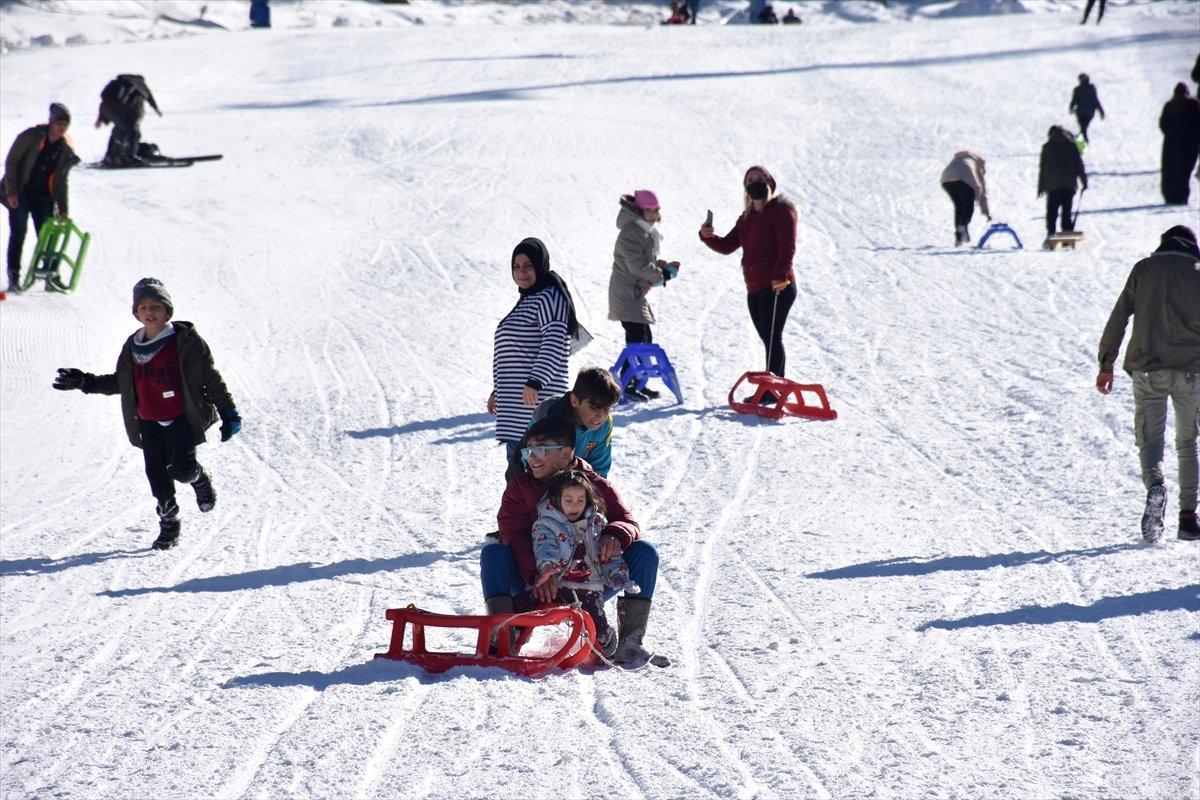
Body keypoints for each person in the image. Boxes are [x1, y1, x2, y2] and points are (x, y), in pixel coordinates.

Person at [51, 278, 242, 550]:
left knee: (182, 469)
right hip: (148, 422)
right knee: (158, 478)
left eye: (156, 306)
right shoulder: (133, 346)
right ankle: (169, 524)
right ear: (136, 314)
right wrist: (86, 381)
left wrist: (229, 411)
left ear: (167, 312)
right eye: (143, 307)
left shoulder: (184, 342)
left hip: (180, 419)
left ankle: (199, 478)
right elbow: (121, 382)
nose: (150, 312)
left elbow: (210, 378)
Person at [482, 416, 666, 667]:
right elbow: (513, 533)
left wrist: (614, 534)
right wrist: (537, 573)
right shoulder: (521, 486)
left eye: (541, 450)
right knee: (493, 553)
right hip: (535, 580)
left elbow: (627, 521)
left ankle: (629, 645)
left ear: (566, 453)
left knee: (644, 552)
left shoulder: (593, 485)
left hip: (588, 578)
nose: (532, 458)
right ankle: (505, 637)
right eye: (528, 450)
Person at [1096, 225, 1200, 543]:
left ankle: (1156, 485)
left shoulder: (1144, 269)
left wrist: (1106, 364)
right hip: (1191, 370)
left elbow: (1119, 317)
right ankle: (1188, 518)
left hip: (1148, 368)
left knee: (1150, 439)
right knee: (1188, 442)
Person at [699, 165, 798, 400]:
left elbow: (787, 247)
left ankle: (772, 391)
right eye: (750, 180)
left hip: (778, 286)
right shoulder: (746, 218)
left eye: (759, 178)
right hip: (754, 288)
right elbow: (727, 245)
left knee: (772, 338)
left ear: (769, 183)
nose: (754, 183)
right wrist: (707, 236)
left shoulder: (781, 211)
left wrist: (780, 274)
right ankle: (772, 388)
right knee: (768, 338)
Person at [523, 468, 640, 652]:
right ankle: (513, 634)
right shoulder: (546, 524)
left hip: (589, 588)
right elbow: (545, 547)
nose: (575, 506)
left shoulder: (597, 525)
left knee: (597, 629)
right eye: (568, 500)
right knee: (523, 602)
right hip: (556, 585)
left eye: (580, 500)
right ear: (556, 500)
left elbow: (609, 556)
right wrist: (547, 567)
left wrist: (618, 575)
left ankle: (605, 642)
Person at [489, 237, 584, 461]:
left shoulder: (549, 297)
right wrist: (498, 392)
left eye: (528, 265)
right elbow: (515, 353)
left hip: (536, 406)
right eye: (516, 266)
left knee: (539, 472)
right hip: (517, 410)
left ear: (540, 265)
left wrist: (535, 381)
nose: (521, 272)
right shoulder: (528, 299)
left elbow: (554, 342)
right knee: (518, 476)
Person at [608, 189, 680, 401]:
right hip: (626, 294)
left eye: (656, 210)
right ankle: (626, 385)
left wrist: (662, 267)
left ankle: (638, 382)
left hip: (635, 293)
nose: (654, 214)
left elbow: (645, 262)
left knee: (644, 339)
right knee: (637, 342)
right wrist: (662, 274)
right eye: (650, 210)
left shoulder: (643, 230)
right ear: (639, 210)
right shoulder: (631, 231)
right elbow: (637, 265)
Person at [2, 103, 79, 294]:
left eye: (65, 124)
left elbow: (61, 181)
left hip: (44, 196)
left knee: (47, 237)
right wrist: (11, 192)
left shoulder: (64, 148)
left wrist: (63, 209)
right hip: (21, 192)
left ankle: (51, 275)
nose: (61, 128)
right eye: (59, 123)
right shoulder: (30, 137)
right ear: (51, 122)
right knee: (18, 232)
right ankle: (13, 276)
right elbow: (12, 163)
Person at [529, 366, 621, 478]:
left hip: (576, 483)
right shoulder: (547, 413)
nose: (601, 416)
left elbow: (599, 470)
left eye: (606, 408)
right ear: (574, 400)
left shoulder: (605, 424)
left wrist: (595, 488)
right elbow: (526, 458)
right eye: (593, 407)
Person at [95, 74, 162, 167]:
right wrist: (155, 108)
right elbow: (145, 100)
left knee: (119, 130)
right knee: (133, 132)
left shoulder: (123, 85)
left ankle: (111, 157)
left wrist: (100, 119)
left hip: (108, 109)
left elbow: (106, 103)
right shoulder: (137, 85)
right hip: (116, 110)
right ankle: (129, 157)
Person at [1037, 125, 1087, 243]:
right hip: (1069, 186)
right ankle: (1067, 234)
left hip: (1053, 186)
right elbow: (1079, 165)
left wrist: (1040, 187)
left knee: (1052, 212)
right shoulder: (1072, 146)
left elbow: (1043, 168)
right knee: (1066, 212)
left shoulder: (1047, 147)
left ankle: (1051, 234)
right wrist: (1084, 182)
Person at [1158, 83, 1200, 205]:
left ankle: (1170, 196)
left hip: (1171, 144)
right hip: (1190, 145)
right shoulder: (1194, 105)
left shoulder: (1169, 105)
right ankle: (1181, 197)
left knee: (1170, 170)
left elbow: (1163, 124)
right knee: (1184, 172)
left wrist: (1171, 133)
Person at [939, 151, 991, 247]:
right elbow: (982, 191)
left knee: (959, 206)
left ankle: (959, 239)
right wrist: (987, 213)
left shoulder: (959, 159)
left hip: (946, 179)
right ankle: (963, 226)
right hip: (962, 176)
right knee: (968, 205)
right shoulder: (977, 164)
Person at [1069, 74, 1106, 143]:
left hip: (1080, 113)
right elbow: (1096, 101)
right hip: (1090, 113)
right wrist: (1101, 112)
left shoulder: (1078, 89)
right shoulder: (1092, 88)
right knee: (1083, 129)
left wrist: (1071, 108)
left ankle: (1083, 144)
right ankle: (1082, 144)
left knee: (1083, 129)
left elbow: (1074, 100)